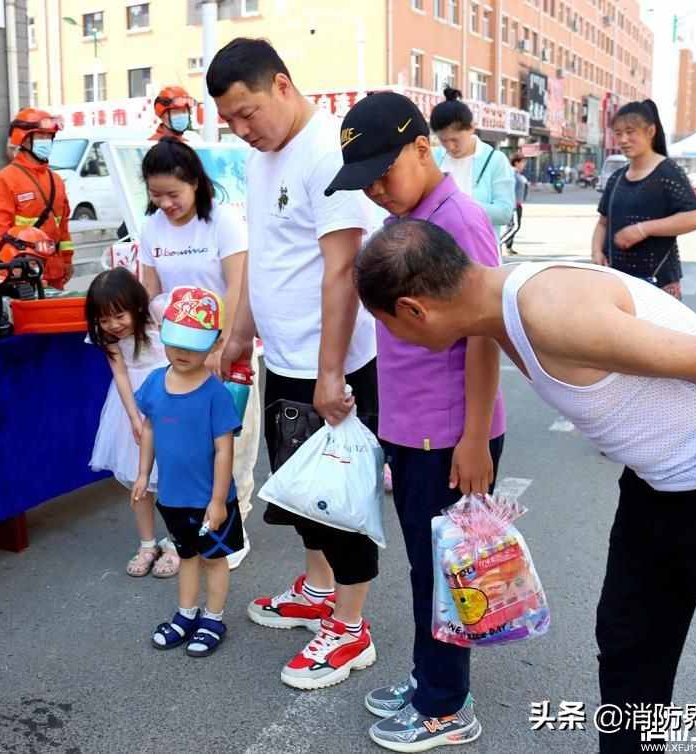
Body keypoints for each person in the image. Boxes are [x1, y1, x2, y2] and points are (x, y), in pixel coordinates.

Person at [354, 218, 696, 754]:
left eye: (388, 325)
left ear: (415, 309)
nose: (392, 340)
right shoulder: (493, 307)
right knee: (629, 654)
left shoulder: (552, 311)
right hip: (657, 489)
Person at [325, 91, 504, 751]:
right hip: (414, 432)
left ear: (423, 147)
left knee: (445, 572)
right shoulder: (411, 212)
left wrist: (475, 436)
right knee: (429, 568)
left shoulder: (458, 218)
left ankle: (446, 706)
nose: (376, 190)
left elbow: (484, 334)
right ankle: (432, 678)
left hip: (453, 434)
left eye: (383, 173)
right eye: (364, 182)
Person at [207, 37, 380, 690]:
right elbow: (266, 257)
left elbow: (342, 268)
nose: (242, 130)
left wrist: (331, 374)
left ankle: (351, 627)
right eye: (229, 121)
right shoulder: (261, 157)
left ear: (282, 85)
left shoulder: (328, 151)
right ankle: (317, 589)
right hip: (284, 359)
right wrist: (238, 334)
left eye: (247, 112)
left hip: (331, 367)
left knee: (338, 499)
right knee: (299, 493)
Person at [137, 137, 258, 570]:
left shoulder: (222, 221)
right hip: (176, 355)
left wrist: (223, 345)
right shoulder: (153, 227)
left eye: (173, 194)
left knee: (230, 440)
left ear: (196, 184)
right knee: (186, 445)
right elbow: (149, 288)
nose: (165, 203)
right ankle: (189, 525)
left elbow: (236, 285)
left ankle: (233, 522)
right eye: (156, 195)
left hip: (223, 349)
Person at [134, 286, 243, 658]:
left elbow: (224, 449)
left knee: (214, 558)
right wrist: (142, 474)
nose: (182, 352)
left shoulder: (216, 395)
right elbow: (148, 428)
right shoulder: (154, 383)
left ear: (215, 344)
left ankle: (213, 617)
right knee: (186, 555)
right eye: (176, 341)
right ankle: (186, 613)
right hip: (172, 496)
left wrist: (218, 500)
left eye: (194, 344)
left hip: (209, 500)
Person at [85, 268, 177, 578]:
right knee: (140, 477)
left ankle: (178, 542)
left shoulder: (159, 313)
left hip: (171, 400)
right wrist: (133, 418)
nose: (113, 325)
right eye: (104, 319)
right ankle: (147, 542)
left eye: (119, 316)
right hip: (133, 405)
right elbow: (120, 373)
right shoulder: (109, 336)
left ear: (136, 305)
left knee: (175, 477)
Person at [592, 100, 696, 300]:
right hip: (618, 282)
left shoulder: (667, 172)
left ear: (650, 131)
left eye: (630, 131)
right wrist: (596, 252)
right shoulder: (616, 178)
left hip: (658, 283)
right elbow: (603, 222)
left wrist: (642, 229)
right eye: (618, 133)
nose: (624, 139)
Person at [0, 108, 74, 288]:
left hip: (54, 272)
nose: (46, 142)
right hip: (23, 275)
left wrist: (67, 260)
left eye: (49, 137)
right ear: (23, 139)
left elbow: (63, 227)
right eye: (41, 136)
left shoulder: (56, 180)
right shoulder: (5, 179)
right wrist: (13, 273)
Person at [430, 88, 515, 239]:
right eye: (443, 140)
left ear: (472, 128)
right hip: (436, 253)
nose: (450, 146)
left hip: (479, 254)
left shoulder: (495, 160)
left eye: (455, 140)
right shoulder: (433, 158)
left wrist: (458, 208)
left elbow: (504, 212)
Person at [502, 154, 529, 254]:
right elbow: (508, 189)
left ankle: (509, 247)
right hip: (513, 204)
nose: (524, 165)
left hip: (518, 204)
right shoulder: (511, 173)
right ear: (516, 162)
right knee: (514, 226)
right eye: (523, 163)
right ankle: (497, 244)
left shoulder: (518, 174)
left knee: (513, 226)